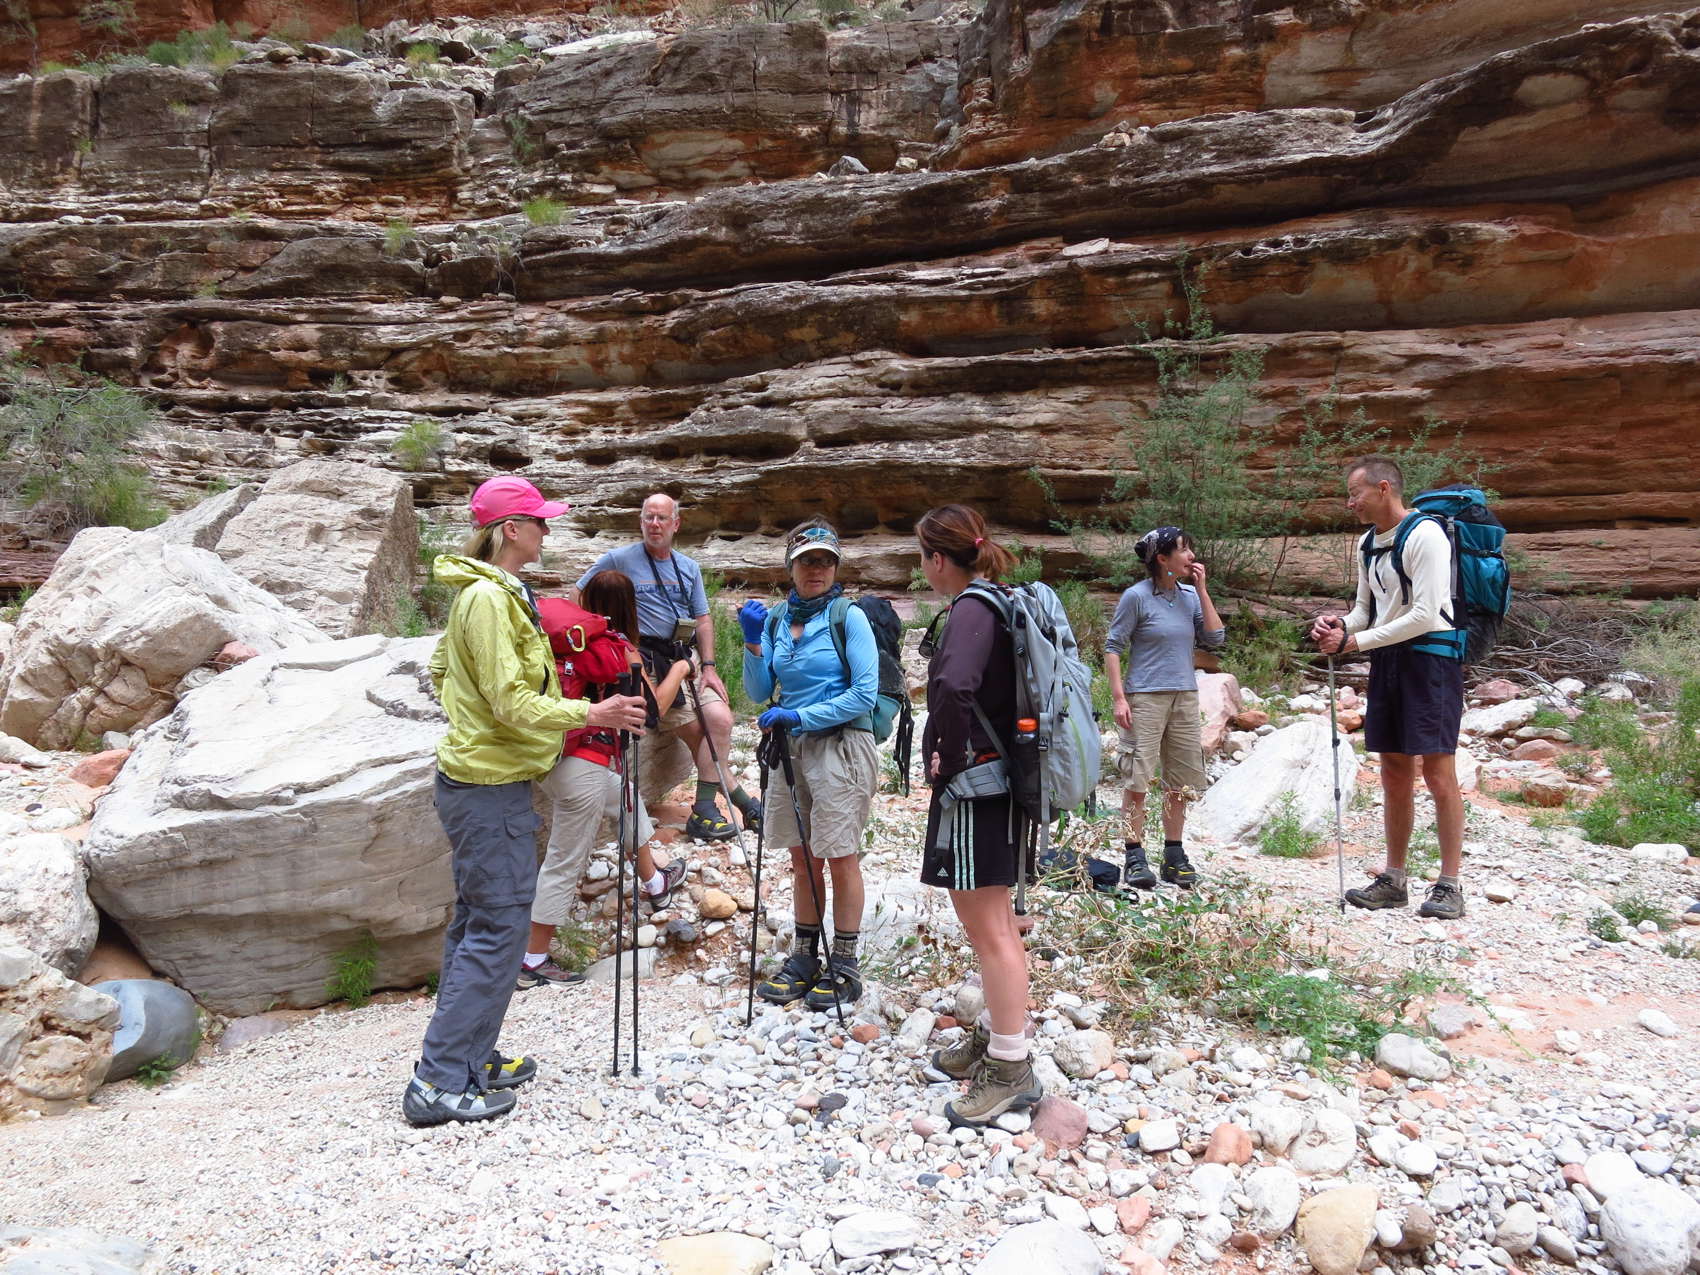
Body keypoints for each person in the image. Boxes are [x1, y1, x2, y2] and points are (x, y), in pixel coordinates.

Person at [406, 476, 648, 1127]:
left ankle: (467, 1058)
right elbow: (510, 700)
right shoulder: (489, 598)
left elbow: (442, 669)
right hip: (486, 788)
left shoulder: (491, 592)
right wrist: (592, 711)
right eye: (540, 520)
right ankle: (438, 1081)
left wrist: (473, 720)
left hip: (490, 780)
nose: (547, 530)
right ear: (511, 529)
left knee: (480, 924)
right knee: (498, 927)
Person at [910, 503, 1042, 1128]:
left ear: (939, 558)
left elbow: (955, 686)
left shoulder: (970, 608)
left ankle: (1011, 1070)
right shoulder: (1001, 600)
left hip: (976, 788)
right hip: (1003, 782)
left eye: (923, 557)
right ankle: (997, 1038)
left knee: (990, 929)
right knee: (1000, 925)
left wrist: (945, 753)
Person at [1310, 456, 1468, 920]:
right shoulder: (1368, 543)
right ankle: (1394, 880)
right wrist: (1340, 625)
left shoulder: (1426, 535)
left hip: (1432, 661)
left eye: (1355, 493)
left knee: (1438, 772)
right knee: (1394, 770)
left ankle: (1450, 885)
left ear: (1383, 488)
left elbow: (1425, 613)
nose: (1350, 503)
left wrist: (1355, 642)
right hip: (1390, 658)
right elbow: (1366, 610)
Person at [519, 570, 693, 988]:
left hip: (548, 753)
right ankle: (532, 960)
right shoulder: (620, 649)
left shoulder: (561, 640)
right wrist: (681, 668)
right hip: (584, 766)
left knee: (626, 796)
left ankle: (655, 882)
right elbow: (652, 710)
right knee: (565, 860)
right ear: (631, 607)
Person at [737, 518, 879, 1011]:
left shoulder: (848, 617)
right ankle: (804, 956)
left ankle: (845, 962)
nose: (816, 569)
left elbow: (863, 694)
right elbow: (758, 689)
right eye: (806, 561)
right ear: (790, 567)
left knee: (840, 855)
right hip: (791, 749)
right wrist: (753, 644)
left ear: (835, 567)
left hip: (840, 746)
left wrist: (800, 715)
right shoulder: (777, 619)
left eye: (825, 561)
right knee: (802, 858)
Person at [574, 492, 760, 842]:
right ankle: (716, 808)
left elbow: (702, 619)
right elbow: (580, 594)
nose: (655, 524)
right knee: (704, 737)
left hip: (684, 658)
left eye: (662, 518)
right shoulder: (618, 559)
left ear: (676, 524)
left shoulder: (687, 568)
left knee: (721, 720)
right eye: (649, 517)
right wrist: (600, 641)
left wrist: (709, 666)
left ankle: (732, 804)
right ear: (641, 522)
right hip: (648, 662)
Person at [1098, 526, 1225, 892]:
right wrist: (1119, 698)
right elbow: (1113, 647)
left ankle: (1174, 855)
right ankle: (1134, 855)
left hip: (1184, 696)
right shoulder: (1136, 597)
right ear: (1162, 558)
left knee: (1180, 782)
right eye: (1184, 550)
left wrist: (1202, 590)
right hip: (1145, 697)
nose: (1191, 556)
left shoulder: (1189, 595)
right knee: (1138, 779)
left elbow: (1215, 638)